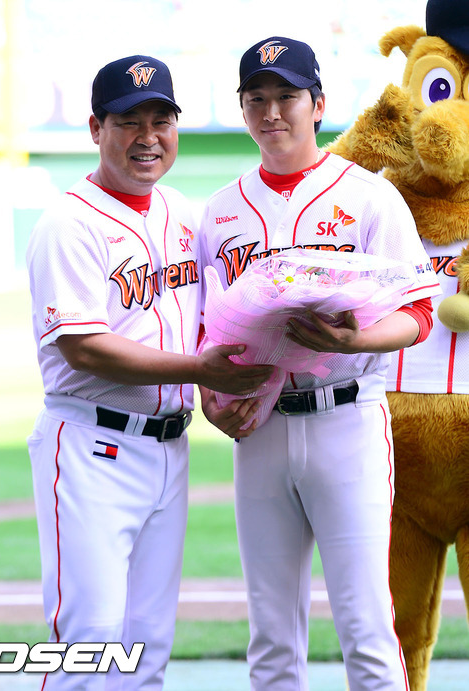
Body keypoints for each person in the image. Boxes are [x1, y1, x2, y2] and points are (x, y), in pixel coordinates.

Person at [199, 37, 441, 690]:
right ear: (242, 109)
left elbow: (419, 312)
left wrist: (355, 342)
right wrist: (211, 399)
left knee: (367, 626)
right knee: (272, 634)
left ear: (319, 104)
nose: (272, 111)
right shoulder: (218, 212)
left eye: (287, 96)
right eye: (257, 99)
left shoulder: (369, 197)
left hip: (346, 419)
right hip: (260, 426)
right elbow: (206, 332)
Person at [26, 53, 272, 691]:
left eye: (161, 120)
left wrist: (212, 392)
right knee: (89, 643)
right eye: (129, 121)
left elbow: (203, 323)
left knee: (147, 648)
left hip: (168, 446)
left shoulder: (181, 213)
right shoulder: (68, 223)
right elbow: (85, 348)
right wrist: (200, 369)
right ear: (95, 128)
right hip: (91, 445)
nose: (148, 137)